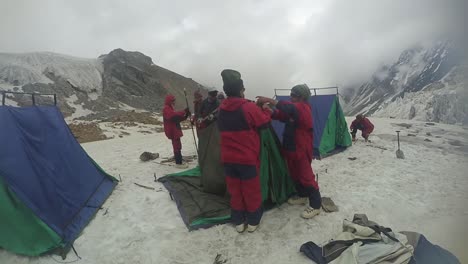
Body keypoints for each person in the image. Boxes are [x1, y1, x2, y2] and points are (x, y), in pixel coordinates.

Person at [256, 84, 322, 219]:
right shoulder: (295, 109)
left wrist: (271, 101)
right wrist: (269, 110)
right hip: (292, 148)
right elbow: (282, 115)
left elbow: (289, 108)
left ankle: (316, 205)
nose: (291, 97)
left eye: (294, 95)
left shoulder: (303, 108)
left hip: (301, 149)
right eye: (291, 94)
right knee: (295, 174)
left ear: (302, 97)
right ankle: (303, 195)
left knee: (306, 176)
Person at [217, 69, 271, 233]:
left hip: (228, 159)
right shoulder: (247, 107)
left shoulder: (221, 108)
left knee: (235, 190)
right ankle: (253, 221)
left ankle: (239, 221)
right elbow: (264, 124)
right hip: (246, 159)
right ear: (240, 89)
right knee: (251, 190)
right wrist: (266, 110)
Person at [162, 94, 191, 169]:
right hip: (172, 130)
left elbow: (176, 118)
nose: (174, 102)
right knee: (176, 146)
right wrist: (184, 111)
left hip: (175, 129)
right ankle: (178, 163)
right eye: (173, 101)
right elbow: (173, 116)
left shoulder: (170, 108)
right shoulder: (166, 108)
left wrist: (186, 115)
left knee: (178, 145)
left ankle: (179, 159)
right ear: (170, 101)